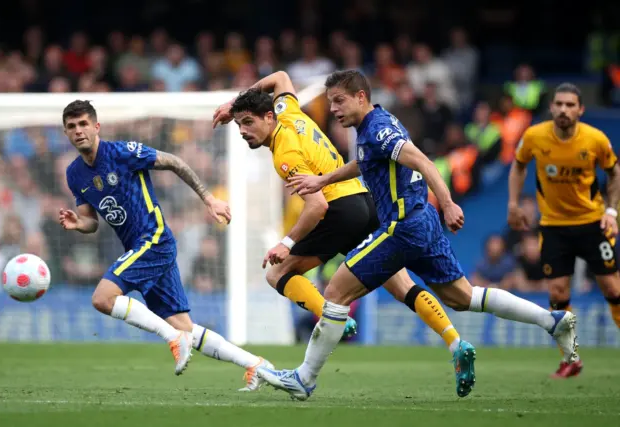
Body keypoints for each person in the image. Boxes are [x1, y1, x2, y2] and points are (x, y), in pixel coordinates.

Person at [257, 70, 578, 401]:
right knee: (462, 297)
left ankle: (305, 378)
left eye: (339, 101)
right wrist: (322, 182)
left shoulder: (378, 131)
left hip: (402, 225)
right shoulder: (374, 126)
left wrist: (450, 203)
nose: (334, 109)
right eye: (331, 102)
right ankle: (552, 321)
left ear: (360, 97)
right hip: (421, 222)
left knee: (336, 291)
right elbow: (364, 163)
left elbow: (424, 161)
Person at [213, 73, 470, 379]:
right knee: (402, 286)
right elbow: (281, 77)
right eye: (239, 124)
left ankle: (330, 318)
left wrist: (287, 242)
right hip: (365, 200)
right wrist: (236, 102)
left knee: (277, 273)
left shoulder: (284, 153)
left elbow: (317, 205)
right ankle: (456, 343)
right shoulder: (288, 111)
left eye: (248, 123)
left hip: (341, 210)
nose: (242, 131)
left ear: (268, 117)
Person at [60, 100, 271, 391]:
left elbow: (174, 161)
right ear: (66, 133)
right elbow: (90, 221)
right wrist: (78, 223)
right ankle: (255, 363)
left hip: (154, 238)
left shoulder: (121, 153)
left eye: (83, 124)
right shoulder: (74, 174)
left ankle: (172, 338)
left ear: (96, 127)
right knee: (184, 325)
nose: (78, 131)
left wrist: (208, 198)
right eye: (72, 126)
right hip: (141, 247)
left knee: (102, 298)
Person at [508, 82, 620, 378]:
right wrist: (513, 203)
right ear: (551, 107)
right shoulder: (534, 136)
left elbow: (614, 172)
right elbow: (518, 165)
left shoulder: (595, 139)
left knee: (613, 288)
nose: (563, 109)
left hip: (592, 223)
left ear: (580, 109)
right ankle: (570, 358)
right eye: (558, 104)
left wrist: (612, 211)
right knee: (558, 293)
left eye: (570, 105)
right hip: (554, 227)